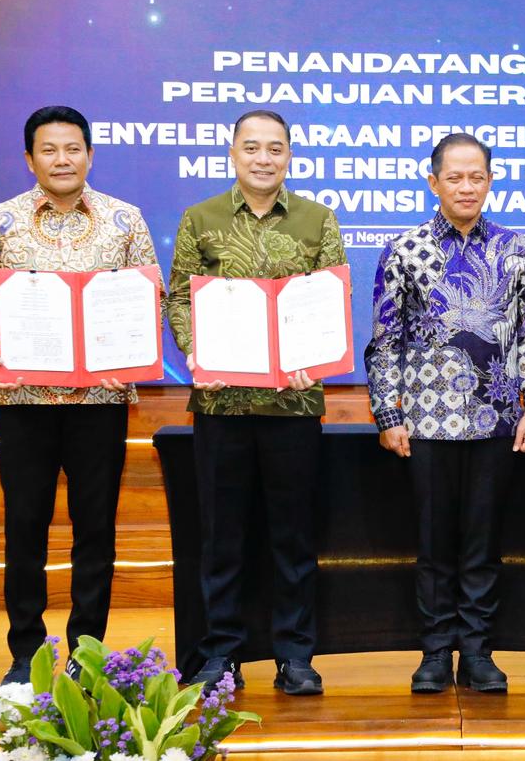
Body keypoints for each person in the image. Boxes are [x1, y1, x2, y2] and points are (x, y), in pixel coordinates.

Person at [0, 105, 157, 684]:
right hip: (24, 403)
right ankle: (27, 654)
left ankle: (86, 652)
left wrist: (128, 358)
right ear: (29, 159)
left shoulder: (125, 220)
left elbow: (149, 299)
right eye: (49, 149)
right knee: (25, 526)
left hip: (99, 403)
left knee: (96, 530)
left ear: (89, 155)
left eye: (72, 148)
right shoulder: (0, 222)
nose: (62, 159)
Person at [165, 109, 345, 696]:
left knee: (293, 539)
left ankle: (296, 656)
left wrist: (317, 357)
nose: (263, 158)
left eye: (274, 148)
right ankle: (221, 654)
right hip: (221, 408)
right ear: (233, 153)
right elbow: (179, 299)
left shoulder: (318, 219)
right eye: (251, 147)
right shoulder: (201, 218)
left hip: (294, 408)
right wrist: (195, 352)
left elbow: (329, 300)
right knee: (222, 540)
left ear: (288, 155)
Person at [364, 132, 525, 694]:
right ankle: (433, 652)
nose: (466, 187)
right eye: (455, 177)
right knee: (433, 546)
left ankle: (478, 652)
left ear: (489, 181)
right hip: (425, 423)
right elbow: (385, 341)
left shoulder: (517, 249)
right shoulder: (404, 250)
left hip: (498, 421)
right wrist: (387, 415)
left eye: (477, 177)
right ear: (434, 182)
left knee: (482, 545)